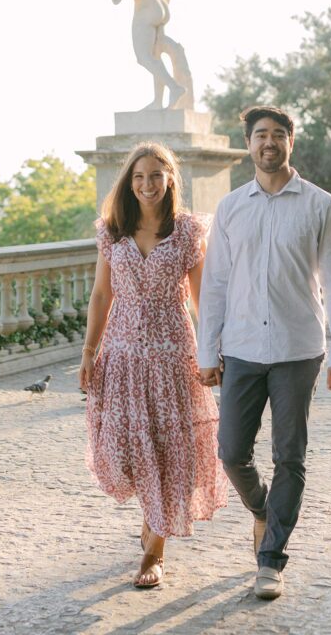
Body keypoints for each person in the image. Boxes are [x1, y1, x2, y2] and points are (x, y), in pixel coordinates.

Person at [197, 105, 331, 600]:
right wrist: (208, 349)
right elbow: (217, 284)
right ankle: (265, 511)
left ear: (292, 142)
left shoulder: (319, 204)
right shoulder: (230, 208)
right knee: (230, 452)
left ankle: (271, 560)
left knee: (290, 455)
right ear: (248, 144)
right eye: (260, 135)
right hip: (241, 348)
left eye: (278, 135)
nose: (269, 143)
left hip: (297, 349)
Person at [80, 141, 227, 589]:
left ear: (170, 181)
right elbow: (102, 295)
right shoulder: (113, 231)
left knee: (169, 452)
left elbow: (203, 299)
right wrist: (89, 353)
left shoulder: (186, 232)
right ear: (129, 182)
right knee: (127, 449)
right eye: (139, 177)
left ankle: (154, 549)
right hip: (121, 356)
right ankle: (152, 518)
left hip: (172, 356)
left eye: (156, 176)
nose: (147, 185)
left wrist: (211, 352)